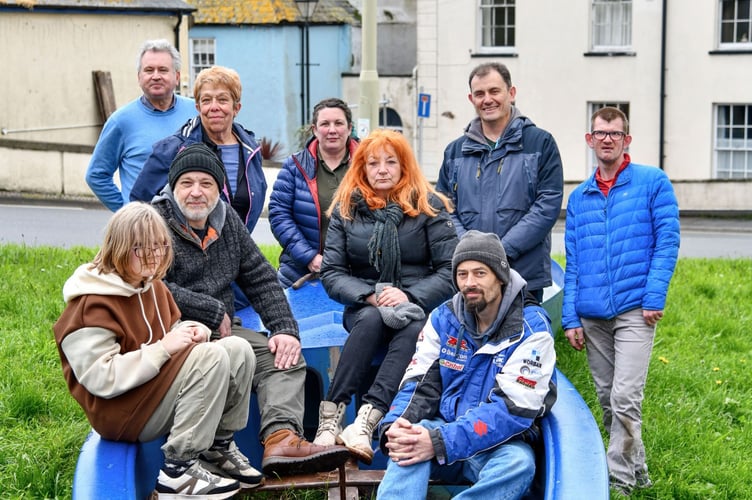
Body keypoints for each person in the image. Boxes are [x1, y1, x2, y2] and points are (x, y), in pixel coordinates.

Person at [151, 142, 350, 477]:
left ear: (218, 189)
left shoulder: (226, 220)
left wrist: (285, 329)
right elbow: (148, 284)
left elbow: (260, 277)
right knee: (221, 360)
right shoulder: (155, 222)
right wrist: (210, 310)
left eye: (206, 184)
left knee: (284, 358)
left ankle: (281, 439)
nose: (196, 192)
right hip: (172, 334)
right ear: (173, 188)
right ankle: (194, 459)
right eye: (187, 183)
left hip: (226, 329)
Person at [52, 202, 261, 499]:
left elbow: (169, 330)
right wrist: (164, 348)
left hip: (153, 392)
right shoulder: (91, 304)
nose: (153, 257)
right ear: (119, 248)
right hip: (121, 413)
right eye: (141, 248)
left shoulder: (152, 285)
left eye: (160, 247)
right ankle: (178, 470)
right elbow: (101, 378)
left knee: (237, 348)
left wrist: (191, 330)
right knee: (210, 356)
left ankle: (218, 446)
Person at [376, 230, 557, 499]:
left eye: (480, 273)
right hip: (444, 427)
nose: (469, 282)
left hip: (498, 443)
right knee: (409, 440)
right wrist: (396, 424)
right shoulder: (443, 319)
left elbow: (511, 412)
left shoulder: (532, 330)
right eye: (462, 274)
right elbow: (417, 384)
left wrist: (440, 442)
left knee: (518, 464)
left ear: (501, 276)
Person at [315, 129, 458, 465]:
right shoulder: (347, 209)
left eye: (390, 162)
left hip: (416, 303)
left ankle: (366, 419)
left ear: (404, 165)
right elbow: (332, 272)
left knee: (412, 327)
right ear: (361, 168)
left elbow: (450, 269)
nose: (382, 169)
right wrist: (369, 295)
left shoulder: (428, 205)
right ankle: (331, 416)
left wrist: (407, 294)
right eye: (373, 163)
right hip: (365, 303)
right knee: (370, 318)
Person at [562, 107, 680, 496]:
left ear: (627, 140)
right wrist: (570, 317)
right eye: (600, 133)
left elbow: (667, 242)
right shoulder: (579, 197)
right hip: (592, 314)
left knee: (625, 396)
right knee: (607, 399)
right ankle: (640, 470)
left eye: (615, 133)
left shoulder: (652, 182)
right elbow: (574, 260)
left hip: (635, 310)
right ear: (590, 139)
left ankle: (620, 481)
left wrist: (654, 295)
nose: (608, 139)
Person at [436, 62, 563, 304]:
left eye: (495, 91)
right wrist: (473, 251)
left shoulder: (540, 143)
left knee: (522, 341)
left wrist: (499, 252)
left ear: (511, 93)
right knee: (473, 342)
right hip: (471, 281)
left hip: (523, 276)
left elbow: (547, 207)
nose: (487, 99)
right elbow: (444, 208)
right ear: (471, 98)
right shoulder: (455, 151)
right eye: (480, 94)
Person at [131, 65, 266, 234]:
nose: (214, 107)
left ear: (236, 108)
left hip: (237, 253)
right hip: (184, 256)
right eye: (206, 100)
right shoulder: (173, 149)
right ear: (198, 107)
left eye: (222, 100)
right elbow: (139, 207)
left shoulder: (251, 150)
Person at [85, 39, 196, 212]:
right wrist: (127, 211)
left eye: (163, 70)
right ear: (139, 77)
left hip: (192, 224)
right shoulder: (121, 121)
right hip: (144, 229)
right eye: (149, 70)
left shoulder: (197, 113)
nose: (156, 76)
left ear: (177, 77)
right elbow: (96, 175)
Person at [268, 97, 359, 288]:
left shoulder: (368, 166)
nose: (332, 130)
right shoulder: (294, 167)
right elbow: (279, 214)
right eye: (325, 124)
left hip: (355, 276)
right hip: (300, 274)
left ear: (349, 128)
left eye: (339, 123)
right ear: (315, 129)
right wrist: (309, 257)